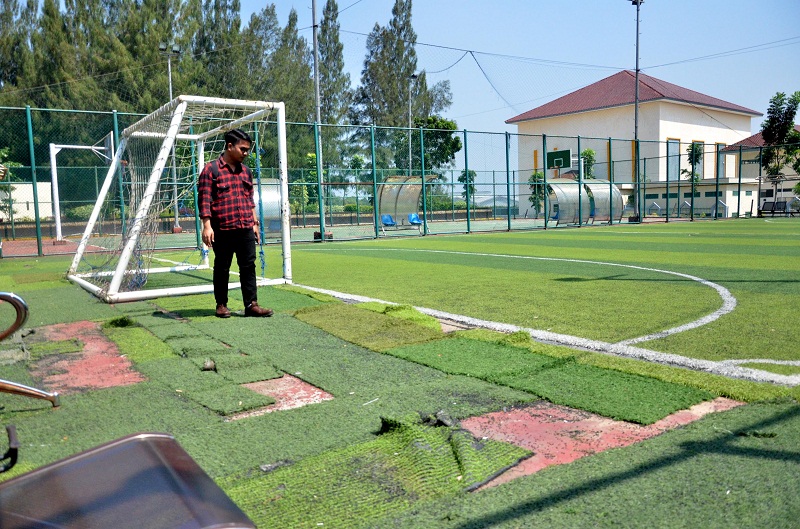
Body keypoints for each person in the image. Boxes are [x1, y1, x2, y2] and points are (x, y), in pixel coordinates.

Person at [198, 128, 273, 318]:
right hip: (222, 228)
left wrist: (254, 223)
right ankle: (221, 305)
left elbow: (250, 199)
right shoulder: (211, 169)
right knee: (222, 266)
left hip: (245, 227)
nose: (246, 153)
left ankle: (251, 305)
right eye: (243, 149)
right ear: (229, 146)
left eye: (248, 150)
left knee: (248, 265)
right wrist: (207, 226)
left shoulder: (245, 172)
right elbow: (204, 199)